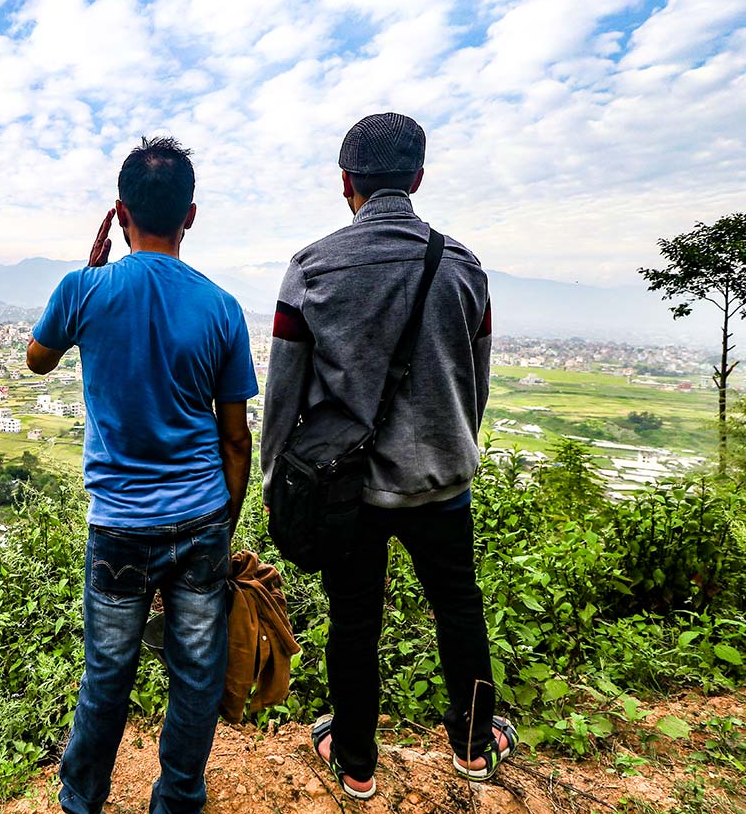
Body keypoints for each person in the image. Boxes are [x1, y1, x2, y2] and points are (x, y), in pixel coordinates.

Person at [260, 113, 515, 799]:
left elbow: (285, 390)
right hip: (443, 481)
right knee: (459, 606)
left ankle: (356, 764)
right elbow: (475, 381)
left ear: (346, 182)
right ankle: (472, 744)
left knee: (354, 621)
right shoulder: (465, 269)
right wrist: (454, 445)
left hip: (351, 488)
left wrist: (274, 476)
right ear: (419, 178)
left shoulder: (312, 269)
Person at [27, 136, 257, 814]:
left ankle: (81, 801)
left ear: (120, 212)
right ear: (191, 216)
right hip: (201, 519)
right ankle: (179, 799)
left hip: (120, 525)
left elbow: (38, 359)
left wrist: (88, 273)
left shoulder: (84, 290)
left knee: (107, 672)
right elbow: (235, 437)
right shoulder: (220, 307)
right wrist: (224, 522)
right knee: (195, 675)